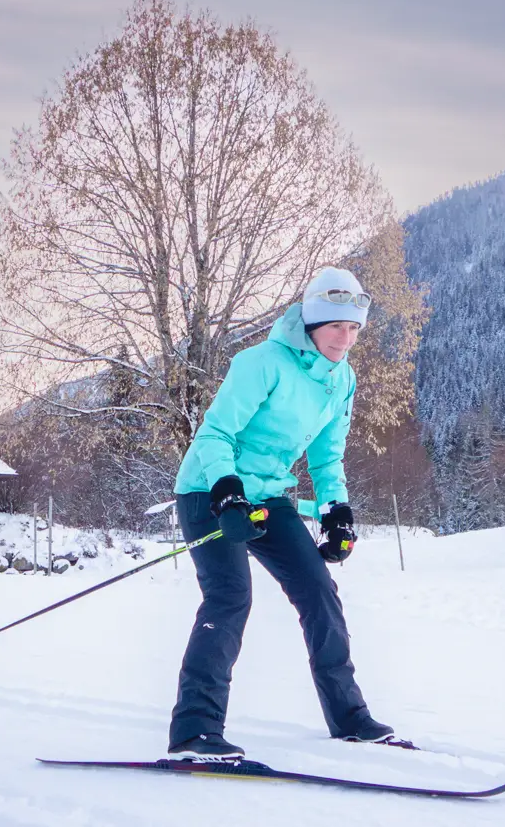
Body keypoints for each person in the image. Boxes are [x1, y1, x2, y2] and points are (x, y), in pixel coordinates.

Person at [167, 266, 395, 762]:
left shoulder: (342, 379)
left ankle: (350, 717)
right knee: (230, 597)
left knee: (318, 591)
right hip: (211, 488)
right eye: (337, 326)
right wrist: (227, 495)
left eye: (354, 328)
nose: (346, 337)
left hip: (269, 497)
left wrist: (336, 514)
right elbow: (213, 435)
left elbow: (327, 457)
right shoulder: (261, 363)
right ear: (312, 322)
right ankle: (195, 732)